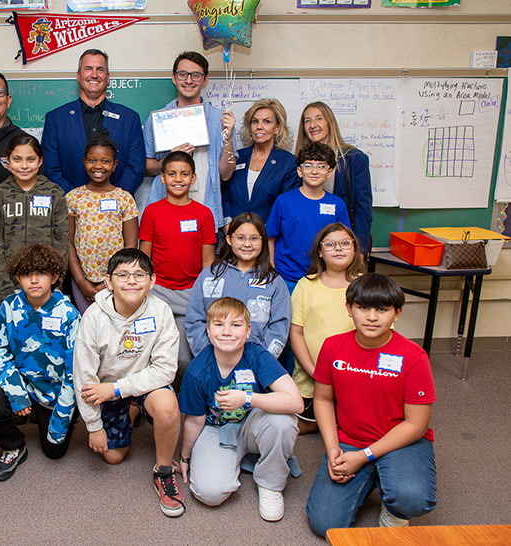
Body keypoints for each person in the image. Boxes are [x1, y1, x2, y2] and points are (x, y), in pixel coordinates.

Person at [306, 273, 437, 536]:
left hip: (401, 442)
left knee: (412, 498)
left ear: (397, 314)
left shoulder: (413, 356)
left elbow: (416, 424)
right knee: (325, 525)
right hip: (349, 441)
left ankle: (392, 501)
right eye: (363, 307)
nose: (372, 317)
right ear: (349, 309)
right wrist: (333, 448)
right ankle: (372, 477)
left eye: (382, 309)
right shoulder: (332, 347)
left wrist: (365, 456)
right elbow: (322, 399)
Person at [73, 248, 184, 518]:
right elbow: (83, 377)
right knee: (114, 456)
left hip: (142, 385)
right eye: (122, 275)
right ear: (109, 282)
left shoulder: (161, 311)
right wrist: (94, 426)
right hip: (105, 389)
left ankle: (165, 472)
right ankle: (132, 411)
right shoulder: (93, 317)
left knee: (169, 408)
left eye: (139, 274)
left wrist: (119, 388)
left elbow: (166, 370)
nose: (131, 281)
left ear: (152, 281)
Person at [178, 297, 302, 521]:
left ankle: (271, 483)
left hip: (255, 423)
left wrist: (247, 398)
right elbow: (194, 421)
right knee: (209, 493)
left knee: (283, 422)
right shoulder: (198, 370)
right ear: (208, 329)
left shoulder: (257, 355)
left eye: (236, 325)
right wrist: (185, 457)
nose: (227, 332)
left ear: (248, 331)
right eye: (218, 325)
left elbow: (296, 402)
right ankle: (246, 460)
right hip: (217, 430)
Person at [0, 244, 81, 481]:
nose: (34, 280)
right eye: (27, 274)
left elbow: (74, 371)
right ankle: (15, 446)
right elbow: (0, 352)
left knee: (54, 451)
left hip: (56, 391)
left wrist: (61, 420)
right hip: (22, 381)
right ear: (18, 277)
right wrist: (16, 394)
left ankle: (59, 418)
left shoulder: (69, 314)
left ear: (55, 277)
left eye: (41, 274)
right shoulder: (9, 306)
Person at [139, 150, 216, 380]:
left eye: (184, 174)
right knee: (151, 353)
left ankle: (182, 403)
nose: (178, 179)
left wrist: (205, 296)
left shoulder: (204, 214)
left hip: (190, 293)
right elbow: (144, 258)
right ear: (162, 178)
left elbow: (208, 262)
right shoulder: (152, 211)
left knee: (183, 358)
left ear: (193, 178)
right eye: (172, 174)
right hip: (158, 292)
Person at [143, 51, 237, 230]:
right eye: (182, 74)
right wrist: (170, 159)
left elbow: (225, 174)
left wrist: (229, 136)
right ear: (174, 78)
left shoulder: (220, 120)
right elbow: (146, 168)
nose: (188, 80)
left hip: (205, 208)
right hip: (165, 210)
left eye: (196, 75)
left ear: (205, 80)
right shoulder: (157, 119)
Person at [186, 213, 290, 368]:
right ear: (229, 239)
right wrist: (207, 358)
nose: (247, 244)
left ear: (263, 241)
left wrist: (261, 362)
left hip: (257, 365)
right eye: (240, 238)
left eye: (254, 238)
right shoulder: (210, 275)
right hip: (211, 363)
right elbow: (195, 319)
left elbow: (279, 329)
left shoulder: (274, 282)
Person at [290, 223, 365, 435]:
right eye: (331, 244)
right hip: (311, 379)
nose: (339, 248)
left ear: (354, 250)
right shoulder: (306, 285)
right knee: (293, 427)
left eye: (345, 243)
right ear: (320, 252)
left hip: (355, 379)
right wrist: (315, 373)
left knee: (358, 428)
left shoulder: (365, 286)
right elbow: (295, 333)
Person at [42, 49, 146, 195]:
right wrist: (81, 201)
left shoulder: (129, 118)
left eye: (100, 69)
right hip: (70, 210)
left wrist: (111, 198)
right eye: (88, 69)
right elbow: (51, 171)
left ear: (107, 77)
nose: (94, 75)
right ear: (78, 76)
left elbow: (135, 169)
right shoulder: (55, 119)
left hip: (116, 210)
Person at [0, 134, 68, 302]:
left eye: (30, 159)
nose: (24, 166)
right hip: (9, 286)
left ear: (40, 161)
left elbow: (62, 242)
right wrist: (5, 290)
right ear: (7, 161)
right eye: (17, 159)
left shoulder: (54, 193)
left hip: (47, 286)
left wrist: (53, 284)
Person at [67, 134, 139, 314]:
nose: (98, 166)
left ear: (114, 165)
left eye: (105, 161)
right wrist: (81, 282)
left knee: (115, 327)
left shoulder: (124, 198)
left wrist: (113, 279)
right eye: (92, 160)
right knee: (89, 327)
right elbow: (67, 243)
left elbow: (131, 246)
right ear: (84, 162)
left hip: (117, 281)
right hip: (82, 281)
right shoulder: (73, 198)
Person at [266, 141, 351, 294]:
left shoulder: (337, 204)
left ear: (329, 172)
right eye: (308, 165)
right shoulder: (284, 201)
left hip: (323, 277)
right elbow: (270, 237)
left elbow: (345, 241)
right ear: (300, 171)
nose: (314, 171)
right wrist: (272, 268)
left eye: (321, 166)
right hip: (287, 276)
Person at [296, 101, 373, 250]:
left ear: (329, 122)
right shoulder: (300, 161)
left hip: (341, 244)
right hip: (307, 242)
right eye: (307, 120)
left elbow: (363, 209)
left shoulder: (354, 159)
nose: (312, 125)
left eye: (319, 118)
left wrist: (360, 249)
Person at [221, 98, 299, 225]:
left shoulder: (288, 163)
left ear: (277, 128)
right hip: (235, 234)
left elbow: (287, 206)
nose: (259, 127)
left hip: (268, 237)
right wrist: (227, 223)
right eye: (255, 121)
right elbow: (225, 195)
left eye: (267, 122)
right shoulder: (237, 157)